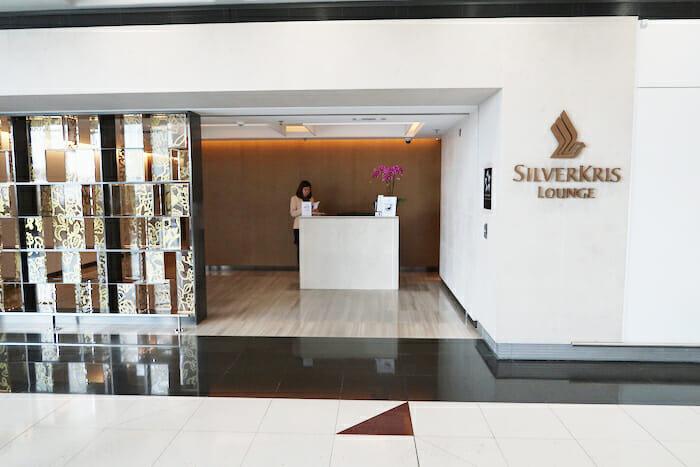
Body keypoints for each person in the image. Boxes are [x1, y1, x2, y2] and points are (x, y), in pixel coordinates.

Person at [290, 180, 319, 264]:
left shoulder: (311, 199)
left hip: (309, 227)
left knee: (309, 248)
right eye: (305, 189)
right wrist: (303, 209)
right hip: (298, 227)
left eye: (308, 190)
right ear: (301, 189)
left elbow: (311, 214)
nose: (307, 191)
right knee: (300, 248)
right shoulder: (294, 198)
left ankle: (308, 267)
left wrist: (314, 211)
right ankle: (300, 268)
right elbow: (292, 213)